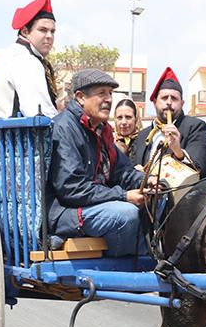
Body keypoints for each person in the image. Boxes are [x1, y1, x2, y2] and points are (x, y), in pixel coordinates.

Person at [47, 68, 158, 257]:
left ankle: (151, 261)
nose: (108, 99)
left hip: (92, 204)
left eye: (110, 93)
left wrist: (147, 180)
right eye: (102, 93)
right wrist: (123, 196)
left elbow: (124, 171)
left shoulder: (100, 129)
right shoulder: (63, 128)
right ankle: (125, 273)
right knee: (126, 214)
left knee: (159, 200)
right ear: (81, 97)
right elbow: (72, 189)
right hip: (67, 212)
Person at [0, 0, 60, 119]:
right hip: (17, 136)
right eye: (43, 30)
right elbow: (39, 111)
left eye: (52, 31)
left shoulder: (14, 53)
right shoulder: (25, 59)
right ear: (25, 31)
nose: (49, 36)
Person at [130, 67, 206, 179]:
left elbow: (202, 169)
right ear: (155, 102)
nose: (169, 102)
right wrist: (137, 173)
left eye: (174, 98)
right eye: (164, 98)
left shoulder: (196, 127)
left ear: (182, 103)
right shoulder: (142, 136)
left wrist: (178, 152)